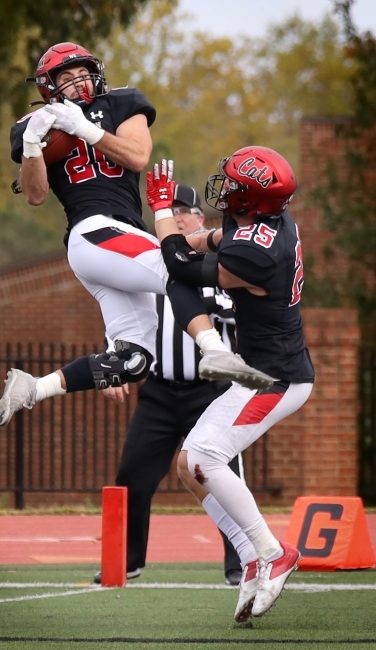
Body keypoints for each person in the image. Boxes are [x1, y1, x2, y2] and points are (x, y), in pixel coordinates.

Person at [0, 42, 274, 426]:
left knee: (132, 361)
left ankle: (34, 388)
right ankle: (215, 352)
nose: (78, 82)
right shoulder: (37, 124)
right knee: (177, 268)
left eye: (82, 73)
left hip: (118, 237)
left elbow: (137, 156)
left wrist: (86, 129)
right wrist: (31, 145)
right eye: (67, 78)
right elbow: (36, 195)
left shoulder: (121, 103)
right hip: (92, 230)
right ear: (49, 88)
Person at [146, 147, 315, 622]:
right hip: (262, 369)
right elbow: (204, 243)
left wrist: (161, 212)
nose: (226, 186)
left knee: (203, 457)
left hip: (275, 378)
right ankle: (249, 555)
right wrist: (180, 238)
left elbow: (180, 265)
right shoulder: (264, 226)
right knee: (186, 465)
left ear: (254, 197)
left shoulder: (256, 252)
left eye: (235, 182)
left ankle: (273, 550)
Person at [92, 184, 244, 586]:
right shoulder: (145, 266)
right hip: (158, 391)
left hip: (210, 392)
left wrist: (216, 303)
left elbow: (241, 310)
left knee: (223, 477)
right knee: (132, 475)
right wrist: (111, 367)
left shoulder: (219, 265)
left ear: (201, 220)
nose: (176, 218)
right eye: (168, 210)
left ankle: (239, 564)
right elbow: (123, 319)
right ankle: (126, 560)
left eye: (184, 211)